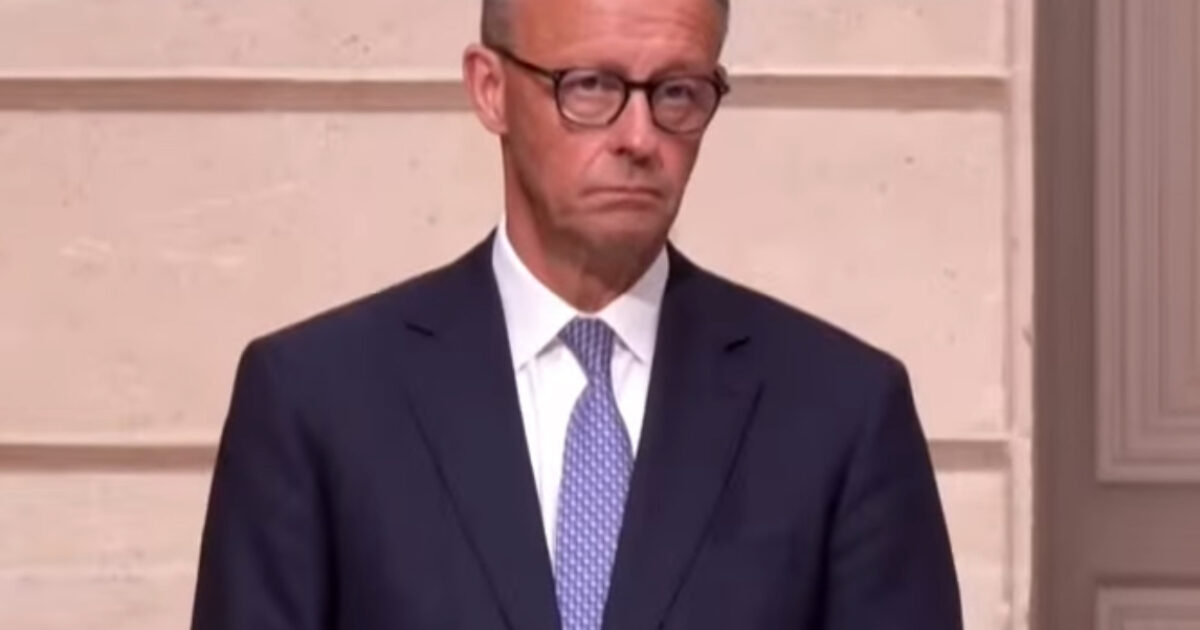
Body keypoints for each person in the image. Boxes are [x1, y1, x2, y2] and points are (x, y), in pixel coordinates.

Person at [190, 0, 963, 627]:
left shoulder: (840, 411)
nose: (640, 138)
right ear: (490, 89)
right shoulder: (316, 400)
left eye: (677, 92)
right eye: (590, 86)